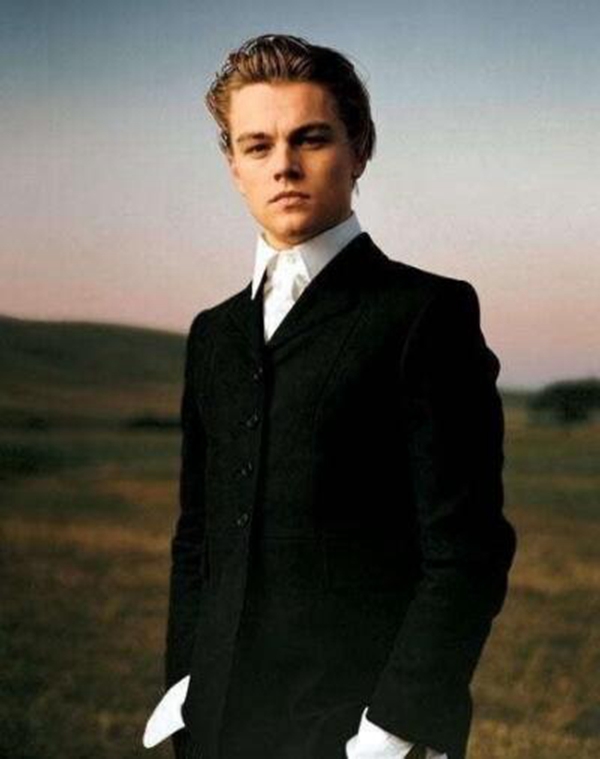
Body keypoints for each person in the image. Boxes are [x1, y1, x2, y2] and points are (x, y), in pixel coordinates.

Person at [142, 33, 517, 759]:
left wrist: (394, 730)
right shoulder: (213, 334)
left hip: (359, 730)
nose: (283, 165)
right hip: (216, 726)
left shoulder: (426, 313)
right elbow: (198, 539)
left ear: (360, 148)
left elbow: (467, 550)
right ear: (234, 167)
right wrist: (185, 684)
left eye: (310, 138)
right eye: (257, 146)